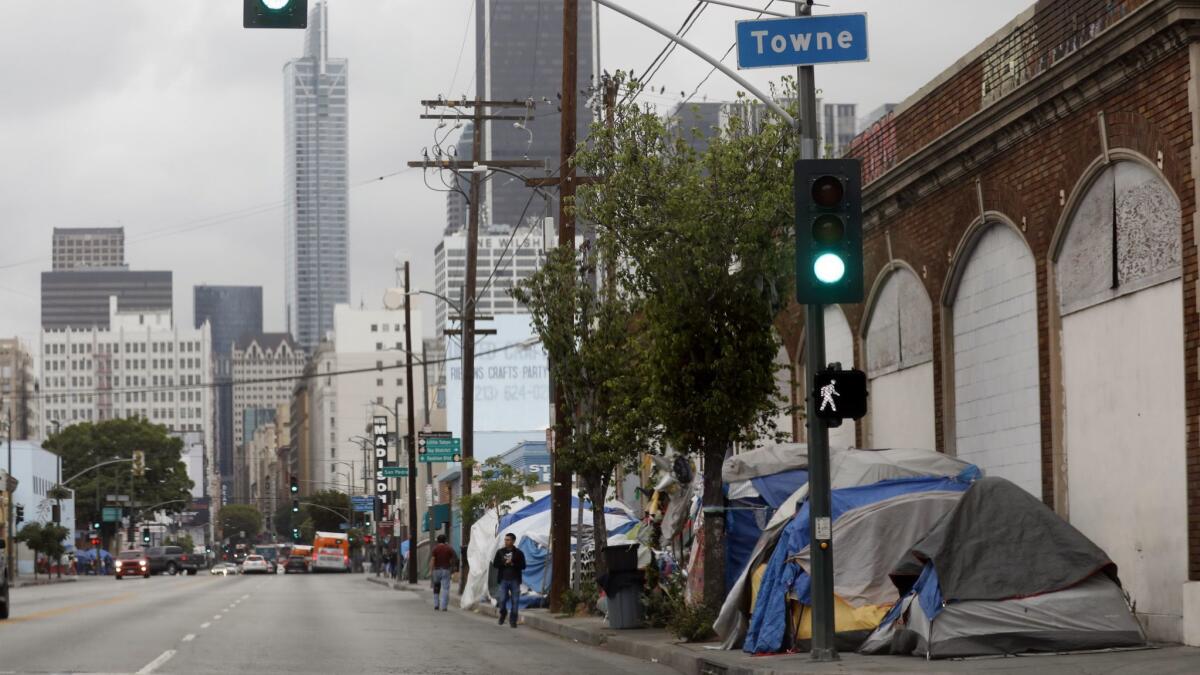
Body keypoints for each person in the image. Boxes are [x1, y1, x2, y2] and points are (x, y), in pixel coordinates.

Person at [491, 533, 526, 628]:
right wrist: (504, 563)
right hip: (503, 580)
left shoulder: (519, 553)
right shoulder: (500, 552)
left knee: (515, 601)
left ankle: (513, 620)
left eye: (508, 540)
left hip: (515, 580)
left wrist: (513, 563)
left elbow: (523, 566)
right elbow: (495, 564)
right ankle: (503, 614)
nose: (506, 542)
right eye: (505, 540)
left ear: (513, 541)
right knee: (502, 600)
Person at [430, 534, 457, 611]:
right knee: (445, 588)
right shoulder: (449, 549)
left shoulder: (435, 549)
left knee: (436, 587)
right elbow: (453, 559)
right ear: (445, 540)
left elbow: (433, 560)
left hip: (436, 570)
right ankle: (444, 606)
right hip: (446, 569)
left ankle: (436, 604)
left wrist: (431, 570)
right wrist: (452, 568)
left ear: (438, 541)